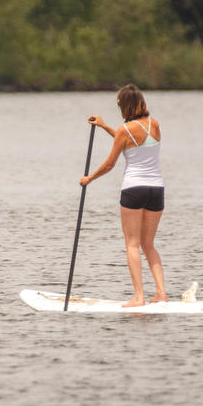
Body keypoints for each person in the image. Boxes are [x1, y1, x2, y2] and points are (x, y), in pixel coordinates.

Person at [79, 84, 167, 307]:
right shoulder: (154, 124)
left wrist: (89, 178)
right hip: (156, 189)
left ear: (123, 106)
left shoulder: (124, 131)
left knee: (132, 244)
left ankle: (139, 297)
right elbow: (131, 143)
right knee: (149, 244)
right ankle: (161, 293)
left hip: (134, 189)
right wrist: (105, 127)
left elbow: (110, 163)